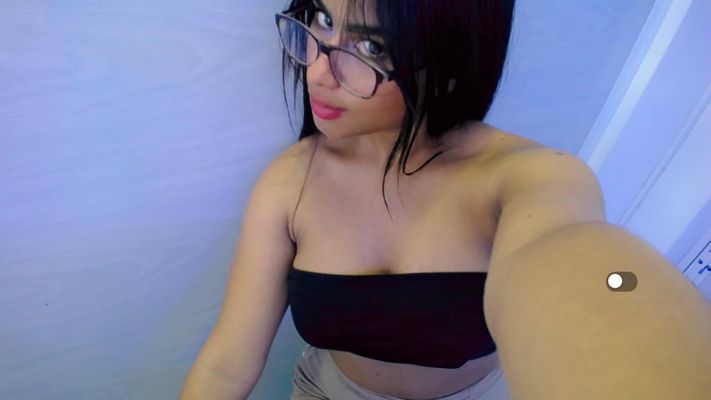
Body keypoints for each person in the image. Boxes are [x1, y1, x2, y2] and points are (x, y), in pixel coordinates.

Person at [180, 0, 711, 399]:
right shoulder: (288, 181)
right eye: (321, 19)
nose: (317, 70)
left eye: (372, 48)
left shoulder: (528, 178)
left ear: (450, 59)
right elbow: (226, 365)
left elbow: (579, 264)